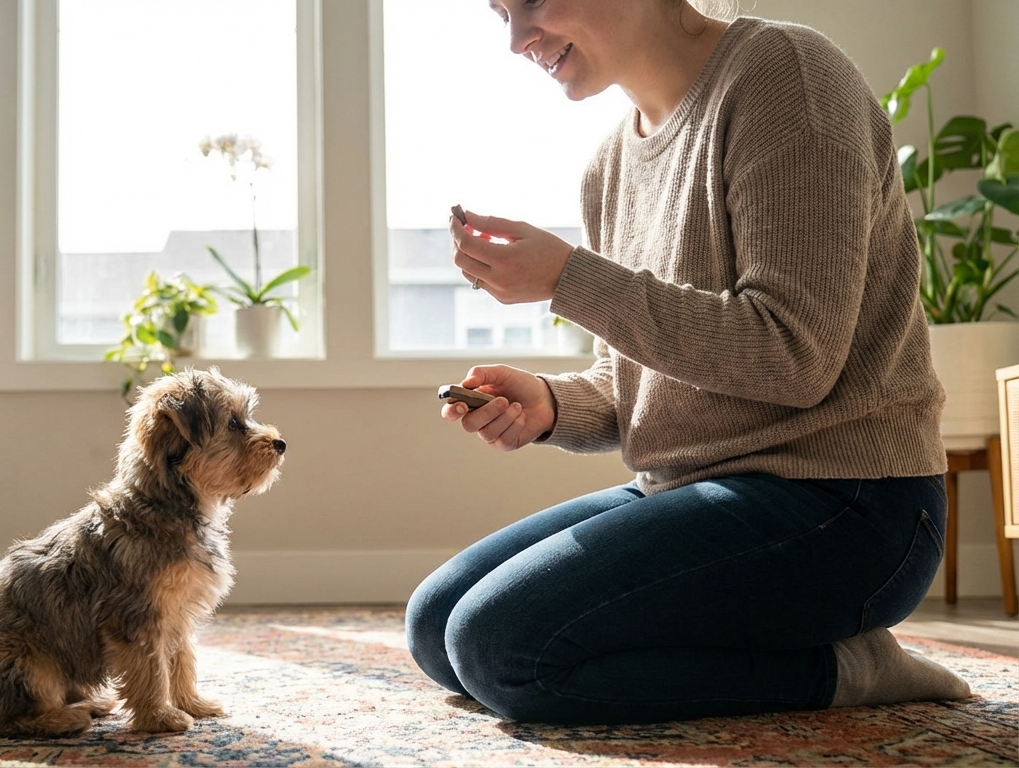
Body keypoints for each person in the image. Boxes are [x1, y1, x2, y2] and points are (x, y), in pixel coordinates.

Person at [406, 0, 972, 724]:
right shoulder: (609, 166)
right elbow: (632, 383)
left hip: (849, 504)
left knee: (499, 650)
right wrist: (548, 404)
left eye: (534, 1)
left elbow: (793, 354)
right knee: (435, 629)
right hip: (689, 490)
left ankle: (843, 669)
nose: (517, 39)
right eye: (500, 12)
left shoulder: (785, 78)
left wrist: (570, 279)